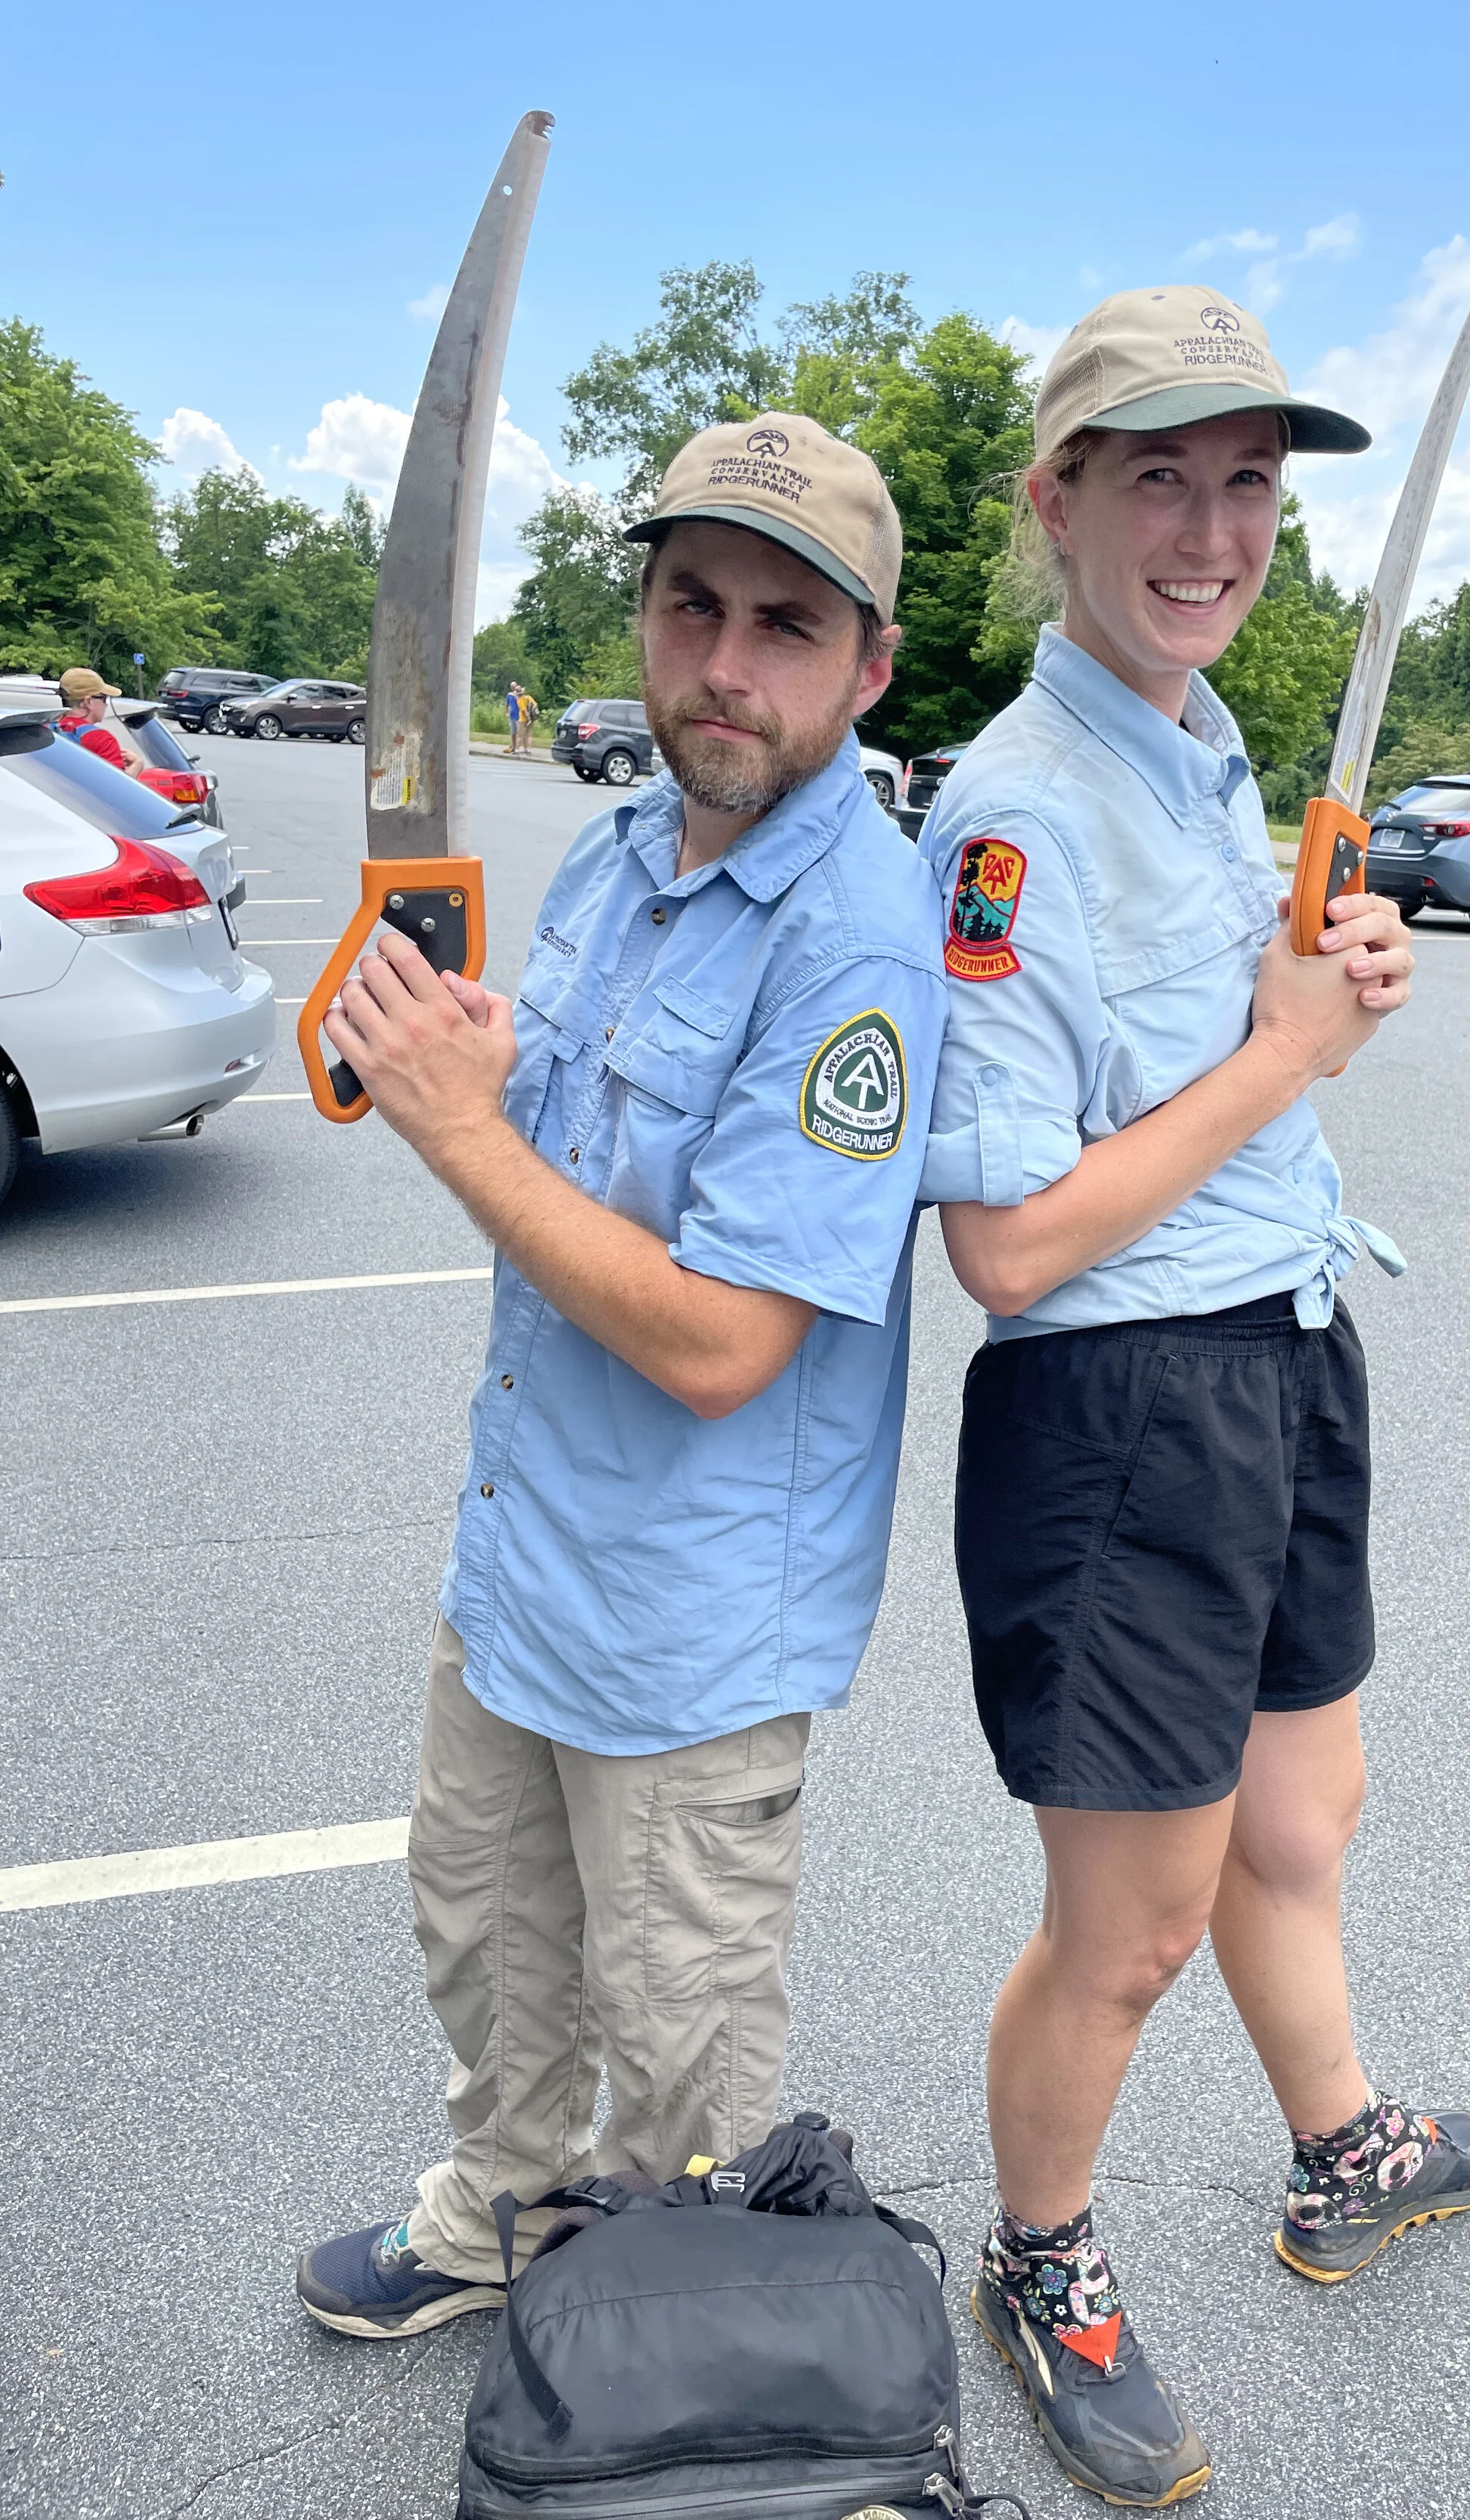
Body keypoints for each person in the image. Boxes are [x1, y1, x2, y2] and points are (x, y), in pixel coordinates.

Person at [917, 287, 1470, 2508]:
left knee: (1295, 1819)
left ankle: (1335, 2140)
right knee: (1128, 1924)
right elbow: (1000, 1242)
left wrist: (1314, 993)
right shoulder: (1006, 813)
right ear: (1051, 495)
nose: (1209, 525)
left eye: (1247, 480)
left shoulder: (1197, 741)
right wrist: (1281, 1054)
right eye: (1154, 471)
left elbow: (1233, 1053)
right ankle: (1042, 2258)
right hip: (1118, 1415)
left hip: (1280, 1349)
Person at [293, 410, 946, 2339]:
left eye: (786, 627)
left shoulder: (857, 944)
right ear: (646, 616)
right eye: (692, 607)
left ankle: (666, 2375)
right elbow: (542, 1139)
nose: (727, 668)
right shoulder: (608, 860)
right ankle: (497, 2221)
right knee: (488, 1944)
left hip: (686, 1646)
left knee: (678, 2079)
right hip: (523, 1562)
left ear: (869, 665)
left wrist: (461, 1133)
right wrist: (450, 1059)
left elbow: (727, 1341)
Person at [55, 668, 135, 773]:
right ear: (88, 702)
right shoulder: (103, 740)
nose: (106, 705)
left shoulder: (47, 730)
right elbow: (115, 787)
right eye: (104, 699)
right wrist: (136, 767)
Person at [504, 679, 524, 752]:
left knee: (519, 733)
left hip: (519, 716)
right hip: (512, 716)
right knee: (513, 732)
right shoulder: (509, 695)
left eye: (515, 686)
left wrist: (518, 695)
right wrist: (506, 712)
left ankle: (517, 748)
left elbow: (522, 704)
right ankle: (513, 746)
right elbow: (506, 704)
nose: (514, 688)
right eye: (512, 687)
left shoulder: (520, 696)